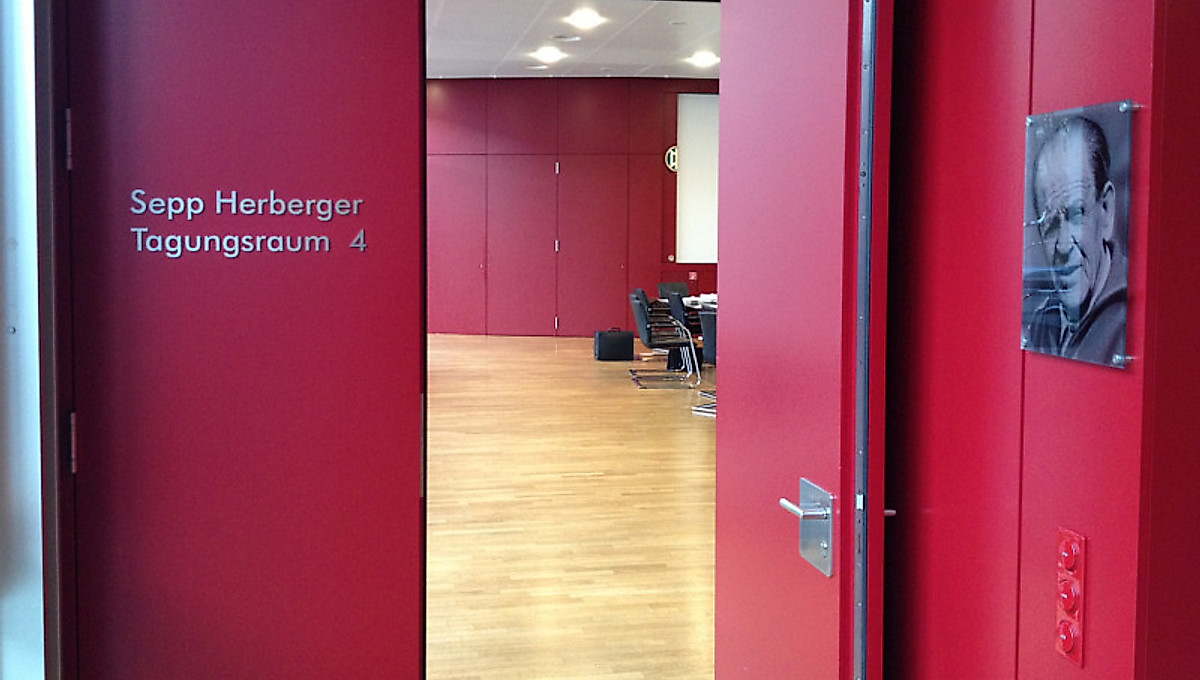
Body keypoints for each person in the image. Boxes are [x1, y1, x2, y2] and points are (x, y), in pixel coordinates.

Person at [1024, 115, 1127, 365]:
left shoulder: (1129, 319)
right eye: (1050, 225)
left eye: (1076, 214)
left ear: (1106, 210)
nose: (1063, 245)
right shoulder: (1042, 324)